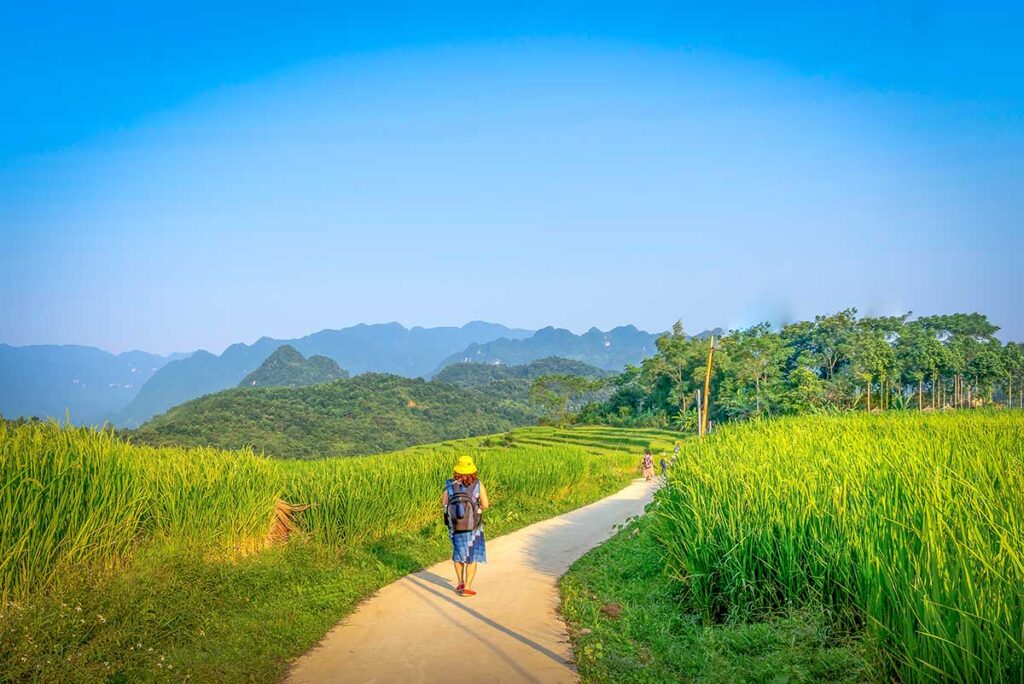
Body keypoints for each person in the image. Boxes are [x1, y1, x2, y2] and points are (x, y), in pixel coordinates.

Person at [442, 455, 489, 597]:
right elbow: (486, 504)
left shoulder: (449, 484)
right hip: (473, 527)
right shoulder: (477, 484)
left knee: (458, 555)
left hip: (455, 527)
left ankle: (460, 582)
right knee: (472, 556)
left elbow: (444, 503)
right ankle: (467, 587)